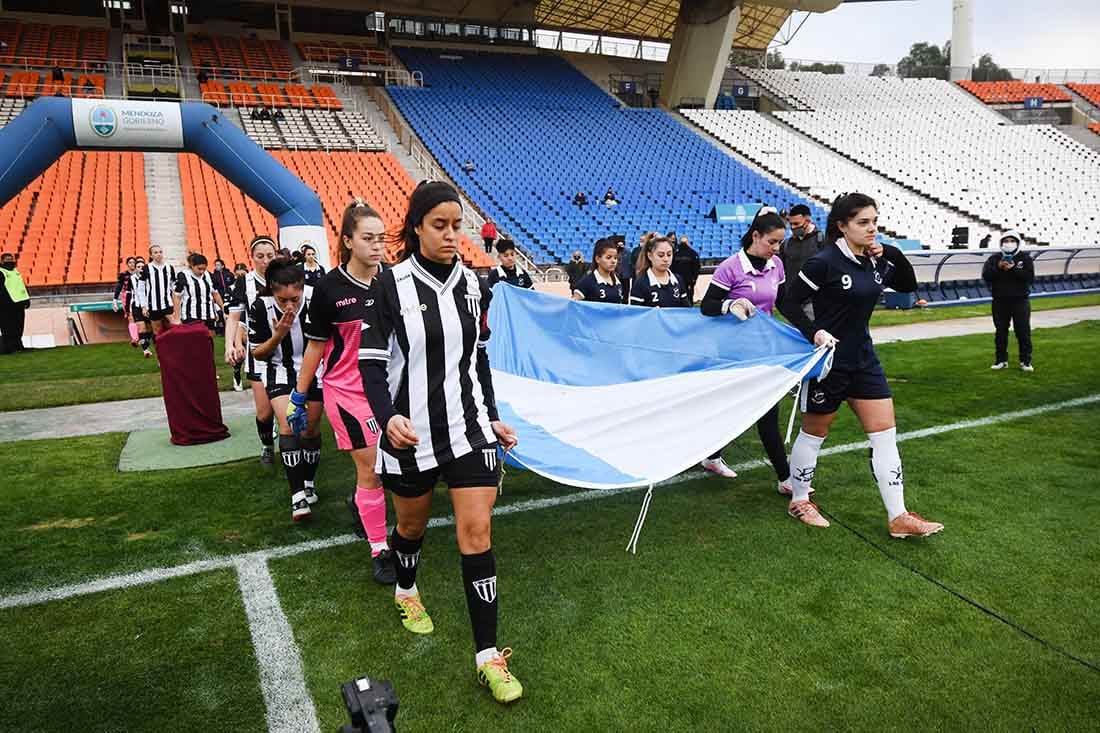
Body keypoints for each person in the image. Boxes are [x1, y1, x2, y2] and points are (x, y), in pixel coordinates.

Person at [358, 180, 523, 704]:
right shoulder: (391, 284)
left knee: (476, 533)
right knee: (410, 526)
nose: (453, 235)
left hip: (469, 430)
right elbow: (370, 362)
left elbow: (477, 360)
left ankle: (488, 656)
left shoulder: (476, 285)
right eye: (441, 225)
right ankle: (407, 590)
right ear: (417, 227)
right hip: (410, 435)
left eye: (458, 225)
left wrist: (492, 418)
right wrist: (388, 419)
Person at [779, 193, 943, 538]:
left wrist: (891, 252)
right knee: (814, 435)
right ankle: (799, 499)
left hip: (865, 360)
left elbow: (908, 285)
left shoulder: (875, 260)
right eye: (863, 223)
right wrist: (815, 332)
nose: (872, 229)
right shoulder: (823, 262)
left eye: (875, 222)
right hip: (830, 363)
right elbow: (789, 301)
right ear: (842, 226)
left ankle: (898, 517)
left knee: (885, 436)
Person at [289, 200, 396, 583]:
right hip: (347, 392)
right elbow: (315, 346)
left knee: (400, 468)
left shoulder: (393, 281)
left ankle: (360, 504)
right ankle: (380, 549)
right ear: (348, 241)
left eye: (381, 239)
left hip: (389, 389)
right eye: (368, 238)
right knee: (372, 469)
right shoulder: (329, 288)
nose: (376, 246)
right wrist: (300, 397)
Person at [699, 207, 794, 486]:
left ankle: (784, 477)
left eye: (780, 243)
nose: (776, 249)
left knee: (765, 411)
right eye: (771, 242)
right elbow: (707, 307)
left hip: (764, 350)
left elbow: (785, 303)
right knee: (735, 410)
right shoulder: (731, 267)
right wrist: (731, 304)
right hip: (733, 353)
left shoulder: (777, 265)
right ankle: (784, 476)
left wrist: (812, 330)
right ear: (755, 235)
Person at [247, 258, 324, 521]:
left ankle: (309, 483)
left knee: (311, 429)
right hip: (278, 369)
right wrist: (278, 334)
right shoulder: (260, 306)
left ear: (303, 287)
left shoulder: (317, 299)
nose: (290, 305)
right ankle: (297, 496)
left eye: (295, 298)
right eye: (283, 300)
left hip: (315, 369)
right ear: (272, 291)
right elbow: (258, 353)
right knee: (289, 426)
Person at [225, 236, 279, 465]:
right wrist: (231, 345)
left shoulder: (284, 278)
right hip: (258, 355)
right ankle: (267, 445)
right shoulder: (244, 283)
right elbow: (234, 318)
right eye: (260, 256)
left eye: (270, 255)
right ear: (252, 257)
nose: (265, 260)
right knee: (265, 413)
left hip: (286, 354)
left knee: (291, 409)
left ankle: (295, 452)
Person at [982, 230, 1034, 371]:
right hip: (1000, 301)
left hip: (1020, 301)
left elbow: (1029, 277)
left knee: (1023, 331)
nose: (1009, 244)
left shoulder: (1025, 258)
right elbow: (986, 276)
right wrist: (999, 268)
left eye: (1012, 241)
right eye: (1006, 241)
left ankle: (1026, 361)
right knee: (1001, 332)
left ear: (1017, 243)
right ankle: (1001, 360)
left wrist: (1013, 269)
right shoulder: (994, 259)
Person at [630, 237, 689, 308]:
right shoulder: (641, 283)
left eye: (669, 254)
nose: (666, 259)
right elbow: (636, 314)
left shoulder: (678, 280)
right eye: (661, 255)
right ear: (650, 256)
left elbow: (686, 310)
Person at [173, 252, 224, 334]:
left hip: (208, 313)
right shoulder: (183, 276)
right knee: (193, 341)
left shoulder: (209, 276)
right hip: (191, 314)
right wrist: (177, 316)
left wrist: (223, 309)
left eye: (204, 269)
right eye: (199, 269)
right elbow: (176, 296)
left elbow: (215, 294)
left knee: (209, 339)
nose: (202, 271)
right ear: (192, 266)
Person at [140, 244, 177, 337]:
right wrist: (143, 306)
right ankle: (161, 350)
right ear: (151, 255)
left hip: (168, 303)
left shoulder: (169, 267)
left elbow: (174, 286)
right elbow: (140, 288)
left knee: (176, 326)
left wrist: (177, 301)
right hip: (153, 305)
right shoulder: (146, 268)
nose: (159, 254)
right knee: (157, 331)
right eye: (155, 252)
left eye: (160, 252)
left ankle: (175, 348)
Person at [572, 239, 625, 303]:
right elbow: (573, 306)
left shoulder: (618, 281)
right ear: (597, 259)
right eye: (608, 257)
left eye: (615, 258)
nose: (613, 261)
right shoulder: (587, 281)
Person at [0, 252, 30, 354]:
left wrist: (26, 299)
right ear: (2, 261)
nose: (10, 262)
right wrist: (7, 302)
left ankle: (18, 346)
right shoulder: (1, 272)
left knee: (19, 326)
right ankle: (9, 348)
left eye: (11, 259)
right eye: (7, 260)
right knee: (8, 327)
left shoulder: (16, 272)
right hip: (6, 306)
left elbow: (21, 287)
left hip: (19, 304)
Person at [129, 258, 153, 357]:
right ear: (135, 268)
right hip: (137, 306)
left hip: (149, 306)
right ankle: (145, 350)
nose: (140, 268)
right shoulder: (132, 278)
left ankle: (145, 342)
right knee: (142, 328)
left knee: (150, 329)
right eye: (138, 267)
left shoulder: (150, 277)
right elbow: (131, 292)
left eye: (142, 267)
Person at [112, 257, 139, 345]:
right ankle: (134, 338)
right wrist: (115, 299)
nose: (132, 264)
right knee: (130, 317)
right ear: (127, 264)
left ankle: (143, 336)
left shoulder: (140, 273)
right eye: (130, 262)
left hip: (139, 296)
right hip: (127, 297)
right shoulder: (123, 275)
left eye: (133, 262)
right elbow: (118, 287)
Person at [670, 235, 701, 305]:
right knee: (688, 297)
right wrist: (694, 279)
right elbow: (697, 268)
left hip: (678, 280)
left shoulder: (675, 254)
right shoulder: (693, 253)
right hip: (687, 280)